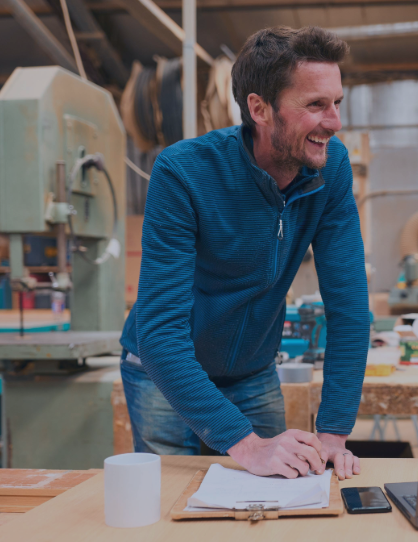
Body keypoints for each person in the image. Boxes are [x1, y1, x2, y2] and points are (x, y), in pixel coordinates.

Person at [119, 26, 370, 480]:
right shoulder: (183, 173)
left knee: (278, 496)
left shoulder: (331, 169)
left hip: (252, 374)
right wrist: (249, 446)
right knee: (168, 504)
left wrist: (333, 432)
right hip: (164, 373)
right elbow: (159, 334)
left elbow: (349, 308)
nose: (334, 122)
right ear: (259, 109)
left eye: (337, 102)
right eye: (316, 105)